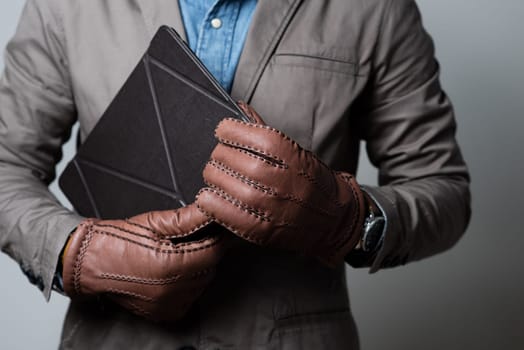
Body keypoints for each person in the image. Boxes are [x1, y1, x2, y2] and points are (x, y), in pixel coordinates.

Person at [0, 0, 471, 349]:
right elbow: (7, 164)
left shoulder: (378, 9)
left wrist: (351, 219)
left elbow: (444, 188)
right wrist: (76, 253)